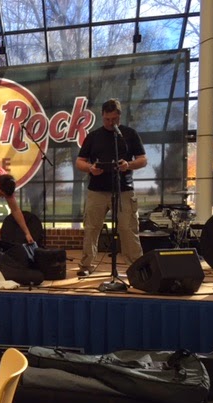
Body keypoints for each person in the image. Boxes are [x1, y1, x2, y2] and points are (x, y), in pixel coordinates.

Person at [75, 98, 147, 277]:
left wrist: (128, 165)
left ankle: (136, 268)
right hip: (96, 190)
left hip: (124, 190)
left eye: (114, 119)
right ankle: (86, 265)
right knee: (91, 228)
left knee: (128, 229)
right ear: (102, 116)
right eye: (107, 119)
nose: (110, 122)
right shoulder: (93, 136)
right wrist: (90, 168)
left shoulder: (129, 134)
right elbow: (79, 161)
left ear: (119, 116)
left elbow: (143, 160)